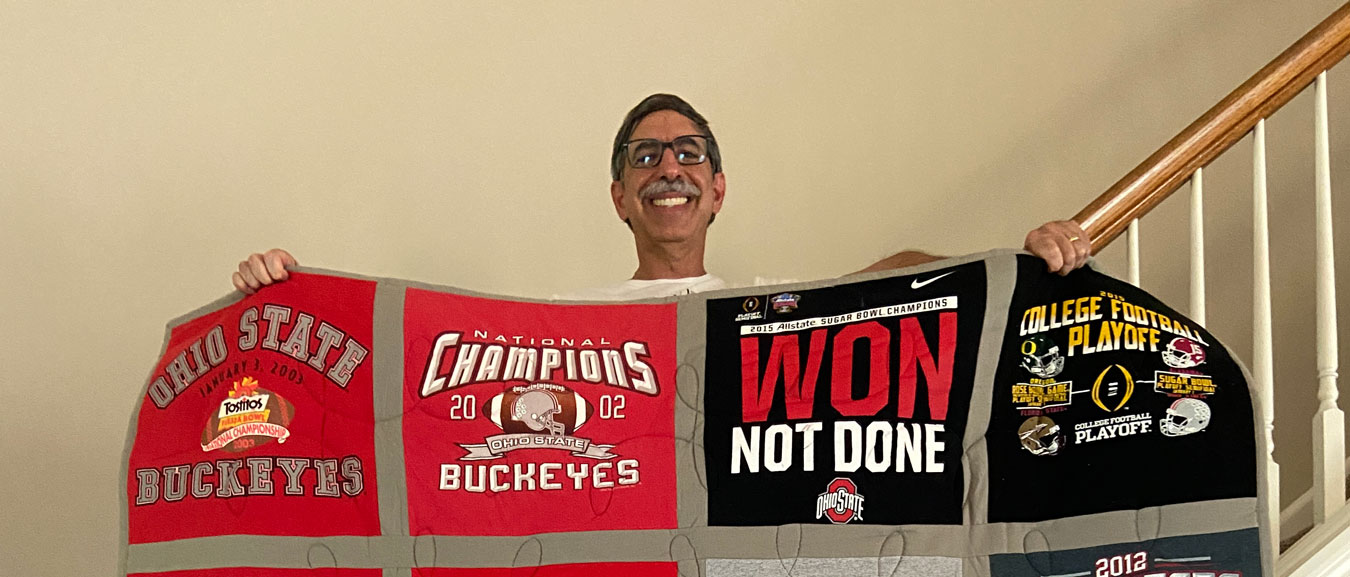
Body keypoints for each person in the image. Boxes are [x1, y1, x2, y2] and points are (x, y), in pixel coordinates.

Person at [231, 92, 1091, 300]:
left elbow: (897, 274)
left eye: (687, 154)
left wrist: (1018, 258)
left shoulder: (765, 311)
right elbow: (409, 337)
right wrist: (290, 292)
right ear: (619, 197)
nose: (667, 168)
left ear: (717, 191)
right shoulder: (570, 329)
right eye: (645, 157)